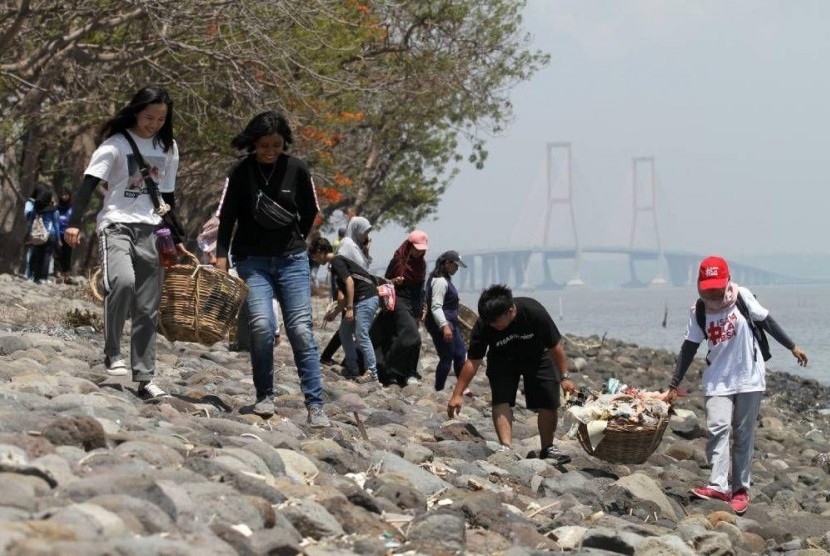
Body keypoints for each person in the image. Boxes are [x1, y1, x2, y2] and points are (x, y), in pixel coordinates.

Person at [64, 86, 186, 399]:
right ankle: (112, 352)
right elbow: (88, 184)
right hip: (116, 225)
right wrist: (74, 223)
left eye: (161, 118)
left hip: (152, 230)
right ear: (135, 111)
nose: (155, 123)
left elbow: (167, 196)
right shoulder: (115, 144)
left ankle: (145, 378)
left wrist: (178, 234)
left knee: (148, 307)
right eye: (150, 116)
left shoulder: (169, 147)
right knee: (122, 282)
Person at [664, 256, 808, 515]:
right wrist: (674, 384)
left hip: (749, 377)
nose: (714, 292)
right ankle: (718, 485)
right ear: (699, 285)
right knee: (718, 429)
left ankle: (740, 489)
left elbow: (768, 322)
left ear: (727, 281)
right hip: (717, 379)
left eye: (718, 286)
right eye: (708, 287)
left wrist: (792, 347)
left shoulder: (741, 297)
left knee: (743, 434)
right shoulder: (698, 310)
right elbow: (689, 348)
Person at [215, 110, 331, 427]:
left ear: (284, 143)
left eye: (276, 145)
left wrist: (292, 240)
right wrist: (222, 258)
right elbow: (227, 219)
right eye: (264, 145)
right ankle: (265, 394)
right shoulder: (240, 173)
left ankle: (315, 405)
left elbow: (309, 213)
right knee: (263, 328)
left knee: (301, 331)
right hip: (252, 261)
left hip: (291, 260)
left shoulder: (297, 169)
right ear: (254, 144)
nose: (269, 151)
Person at [447, 284, 576, 465]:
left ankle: (548, 448)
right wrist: (457, 394)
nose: (492, 325)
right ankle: (505, 448)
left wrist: (565, 376)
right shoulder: (485, 323)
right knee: (501, 399)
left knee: (548, 399)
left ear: (511, 310)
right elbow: (473, 361)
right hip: (502, 359)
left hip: (537, 356)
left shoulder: (533, 311)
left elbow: (555, 346)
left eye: (496, 321)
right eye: (489, 322)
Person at [371, 230, 428, 387]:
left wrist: (423, 307)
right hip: (398, 300)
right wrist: (395, 281)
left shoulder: (421, 264)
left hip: (414, 303)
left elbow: (421, 287)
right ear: (409, 246)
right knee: (412, 336)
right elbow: (385, 282)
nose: (419, 252)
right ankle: (384, 367)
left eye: (422, 249)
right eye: (417, 248)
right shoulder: (398, 261)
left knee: (403, 338)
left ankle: (405, 372)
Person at [424, 250, 471, 392]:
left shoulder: (445, 279)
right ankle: (438, 389)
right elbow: (436, 306)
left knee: (460, 354)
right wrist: (444, 326)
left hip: (451, 323)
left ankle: (463, 388)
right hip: (441, 324)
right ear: (447, 263)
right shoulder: (440, 281)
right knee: (446, 357)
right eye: (455, 266)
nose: (457, 269)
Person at [24, 183, 60, 284]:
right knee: (46, 257)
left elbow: (31, 221)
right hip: (50, 235)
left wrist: (29, 235)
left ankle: (34, 277)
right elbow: (56, 224)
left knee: (36, 256)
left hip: (37, 235)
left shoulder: (36, 208)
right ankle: (42, 278)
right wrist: (58, 239)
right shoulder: (53, 210)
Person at [54, 189, 74, 284]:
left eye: (66, 194)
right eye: (62, 194)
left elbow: (76, 221)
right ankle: (57, 273)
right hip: (58, 233)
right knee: (58, 254)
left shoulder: (72, 208)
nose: (64, 197)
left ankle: (67, 275)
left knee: (67, 255)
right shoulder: (57, 208)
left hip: (69, 234)